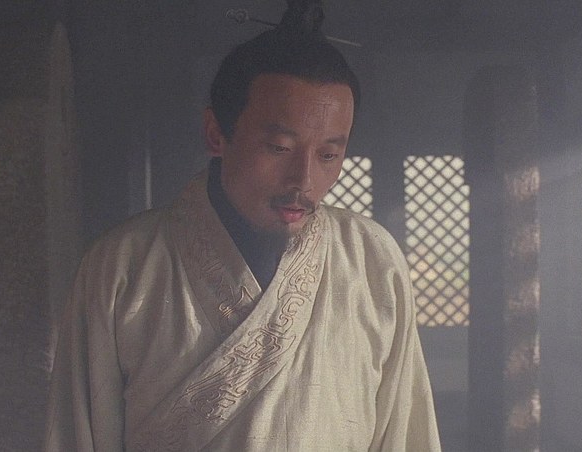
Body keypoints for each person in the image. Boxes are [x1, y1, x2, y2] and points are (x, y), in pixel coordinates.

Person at [44, 1, 441, 450]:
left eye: (329, 155)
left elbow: (406, 435)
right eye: (279, 148)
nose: (303, 181)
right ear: (216, 133)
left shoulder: (372, 261)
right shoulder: (123, 268)